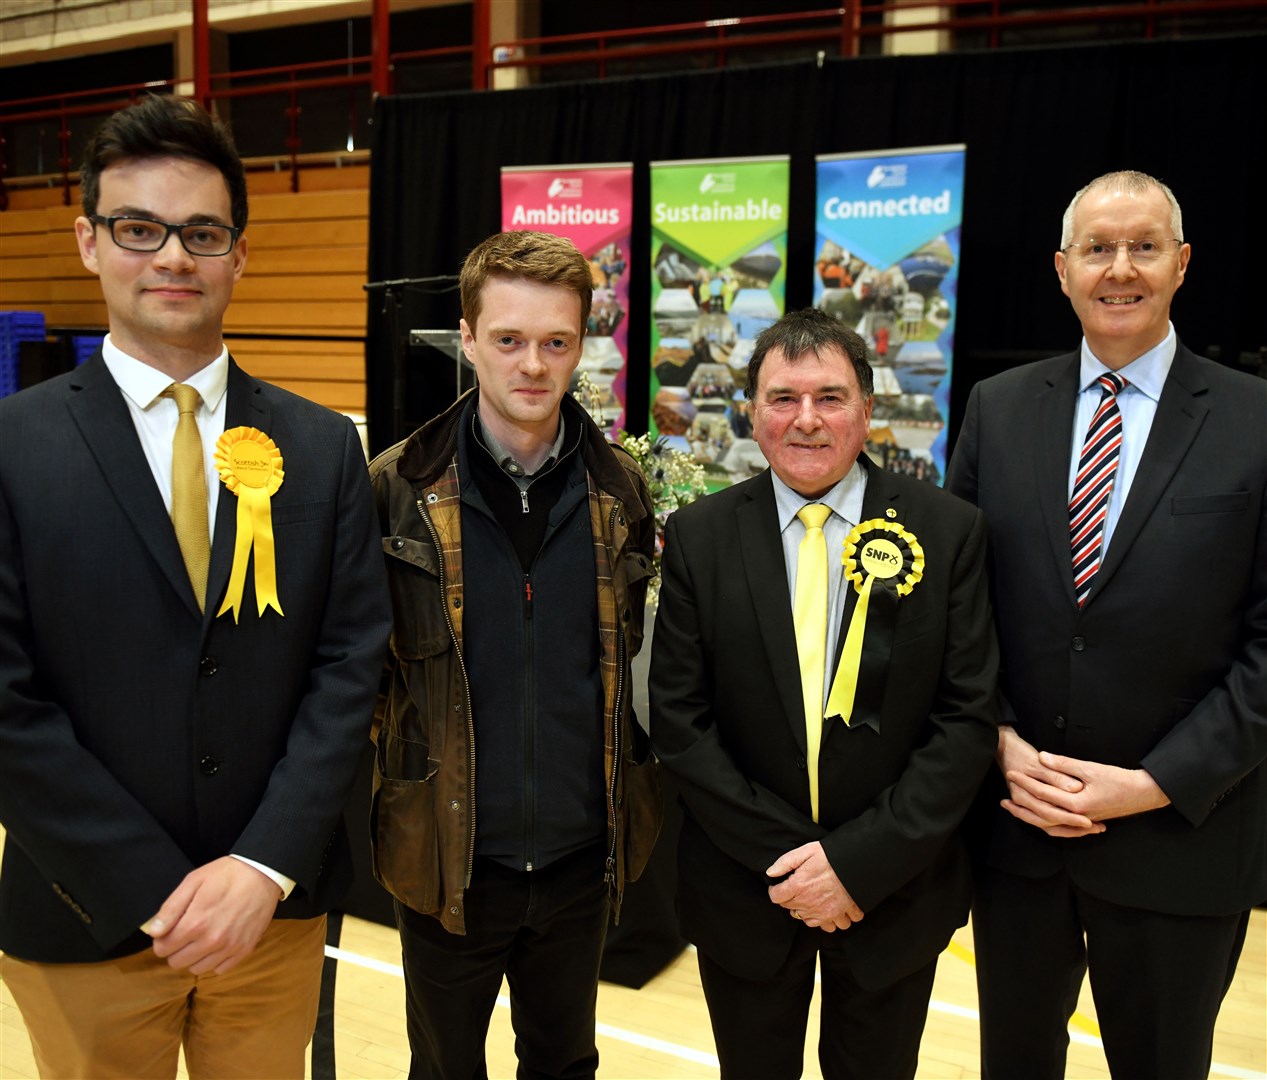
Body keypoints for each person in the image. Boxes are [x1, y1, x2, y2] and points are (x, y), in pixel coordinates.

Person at [0, 94, 391, 1079]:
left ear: (239, 255)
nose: (173, 257)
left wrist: (260, 868)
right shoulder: (11, 447)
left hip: (273, 918)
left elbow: (349, 667)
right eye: (141, 229)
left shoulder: (321, 448)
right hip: (81, 914)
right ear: (90, 241)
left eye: (202, 233)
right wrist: (147, 885)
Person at [946, 170, 1267, 1079]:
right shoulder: (996, 410)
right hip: (1020, 833)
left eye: (1141, 246)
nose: (1117, 268)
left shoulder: (1255, 422)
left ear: (1181, 264)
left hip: (1180, 841)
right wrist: (998, 741)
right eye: (1096, 248)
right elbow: (955, 616)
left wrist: (1151, 784)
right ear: (1060, 269)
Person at [651, 307, 999, 1079]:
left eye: (829, 397)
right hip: (748, 891)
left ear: (867, 410)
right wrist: (794, 864)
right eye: (782, 398)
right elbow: (679, 722)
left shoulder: (948, 534)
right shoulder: (700, 538)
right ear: (750, 411)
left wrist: (855, 865)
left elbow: (964, 719)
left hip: (894, 892)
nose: (805, 420)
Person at [368, 230, 660, 1080]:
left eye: (555, 342)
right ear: (466, 339)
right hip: (448, 864)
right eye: (508, 339)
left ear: (580, 346)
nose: (532, 364)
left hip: (579, 862)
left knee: (565, 1063)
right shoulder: (393, 487)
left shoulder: (620, 493)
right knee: (445, 1068)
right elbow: (362, 677)